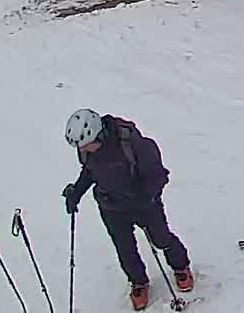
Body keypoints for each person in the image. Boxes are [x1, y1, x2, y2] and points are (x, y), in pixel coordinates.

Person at [62, 109, 194, 310]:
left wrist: (146, 196)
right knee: (125, 248)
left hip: (144, 204)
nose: (85, 151)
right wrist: (76, 192)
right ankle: (138, 281)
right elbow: (90, 171)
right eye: (82, 148)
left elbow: (159, 175)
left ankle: (180, 266)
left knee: (161, 239)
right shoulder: (87, 150)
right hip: (111, 207)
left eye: (88, 146)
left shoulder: (134, 145)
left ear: (99, 134)